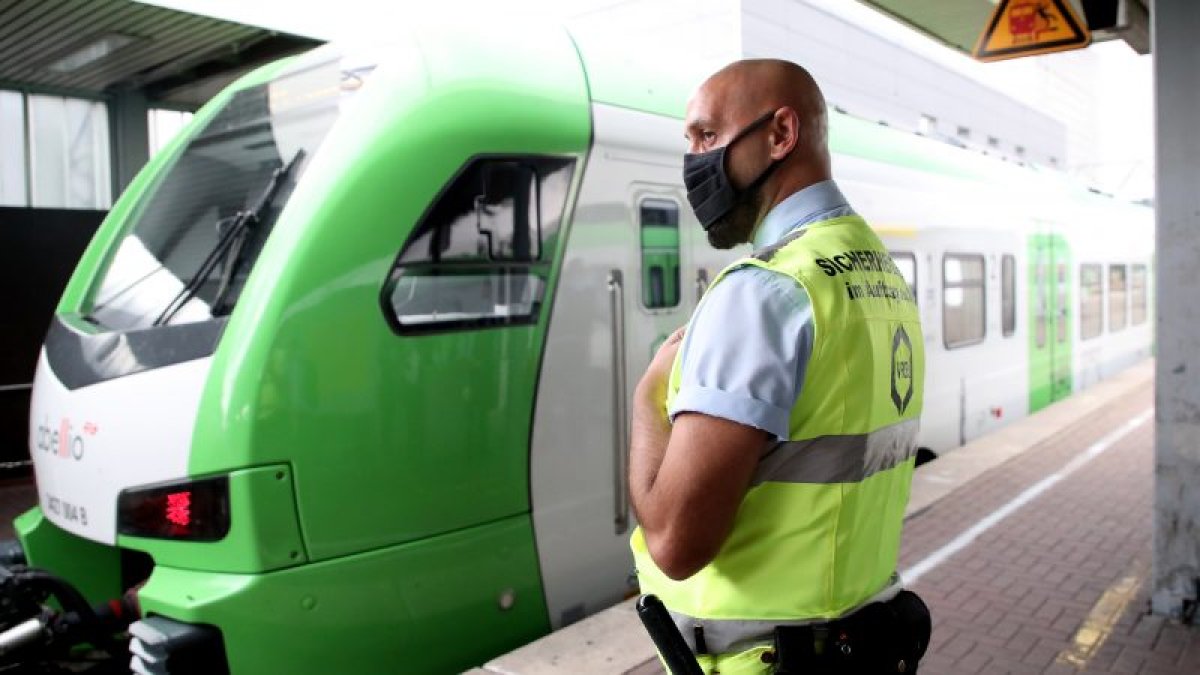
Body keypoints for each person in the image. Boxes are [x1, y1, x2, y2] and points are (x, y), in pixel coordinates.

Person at [628, 59, 930, 674]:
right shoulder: (877, 273)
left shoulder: (762, 294)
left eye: (707, 136)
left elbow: (674, 544)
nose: (693, 161)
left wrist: (648, 395)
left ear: (781, 134)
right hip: (859, 647)